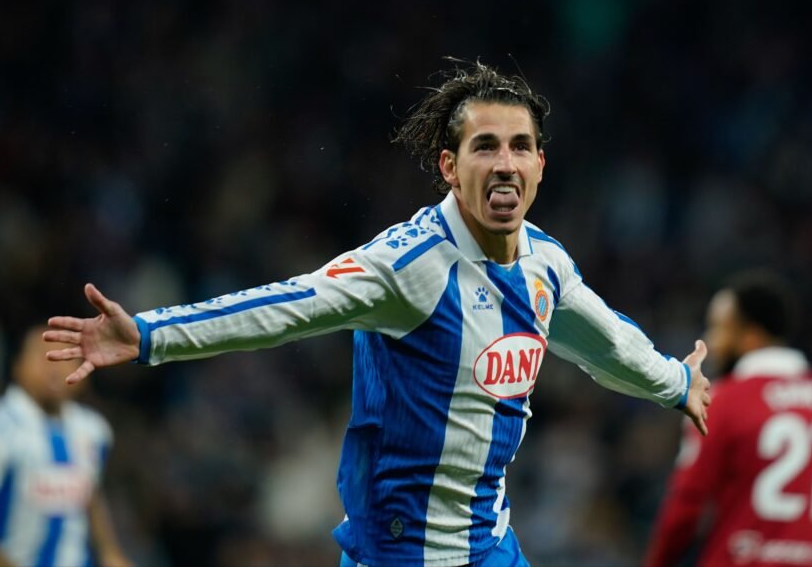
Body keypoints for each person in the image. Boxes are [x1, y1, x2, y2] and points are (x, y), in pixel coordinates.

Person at [44, 59, 711, 567]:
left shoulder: (545, 264)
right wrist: (151, 333)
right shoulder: (410, 265)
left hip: (489, 544)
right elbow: (286, 306)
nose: (504, 163)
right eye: (485, 146)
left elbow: (608, 343)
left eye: (519, 146)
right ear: (449, 165)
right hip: (400, 554)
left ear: (540, 163)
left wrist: (678, 384)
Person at [644, 269, 812, 567]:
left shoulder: (722, 401)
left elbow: (686, 505)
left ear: (750, 335)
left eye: (719, 328)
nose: (711, 341)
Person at [0, 324, 132, 567]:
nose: (55, 365)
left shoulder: (93, 429)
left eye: (67, 356)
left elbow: (90, 494)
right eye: (44, 355)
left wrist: (110, 553)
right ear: (17, 366)